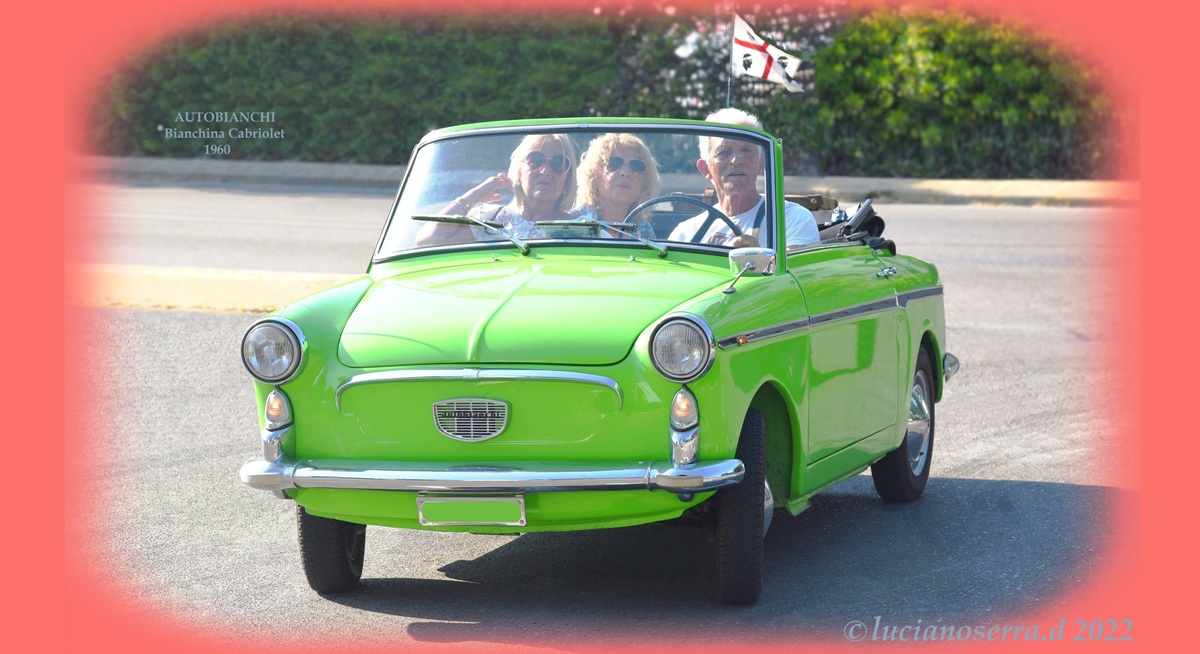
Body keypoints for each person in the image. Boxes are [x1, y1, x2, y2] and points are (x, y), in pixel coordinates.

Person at [668, 108, 819, 248]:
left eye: (746, 150)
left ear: (760, 163)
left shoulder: (791, 219)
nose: (736, 160)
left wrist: (757, 258)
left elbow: (793, 274)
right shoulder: (686, 234)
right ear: (705, 168)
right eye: (724, 152)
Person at [416, 133, 578, 245]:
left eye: (558, 163)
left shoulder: (579, 229)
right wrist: (476, 193)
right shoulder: (491, 221)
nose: (546, 171)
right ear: (519, 169)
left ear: (567, 178)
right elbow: (428, 239)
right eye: (535, 160)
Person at [572, 133, 662, 239]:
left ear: (644, 183)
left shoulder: (644, 231)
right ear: (594, 174)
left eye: (637, 166)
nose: (625, 172)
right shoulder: (573, 223)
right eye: (614, 163)